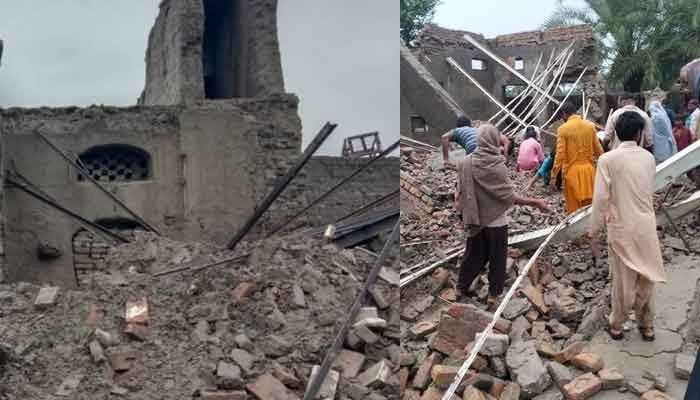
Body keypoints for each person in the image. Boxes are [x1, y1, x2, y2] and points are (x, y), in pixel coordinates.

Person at [588, 111, 666, 341]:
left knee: (623, 281)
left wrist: (594, 230)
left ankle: (617, 325)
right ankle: (647, 326)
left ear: (617, 133)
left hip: (621, 226)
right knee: (647, 276)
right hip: (646, 225)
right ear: (640, 133)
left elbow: (600, 199)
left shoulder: (608, 159)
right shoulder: (648, 158)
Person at [455, 124, 550, 308]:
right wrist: (535, 202)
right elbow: (508, 197)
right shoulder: (497, 165)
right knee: (498, 259)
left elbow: (459, 192)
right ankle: (493, 295)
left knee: (473, 254)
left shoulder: (464, 162)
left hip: (475, 219)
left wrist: (461, 213)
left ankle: (460, 288)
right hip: (497, 221)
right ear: (493, 140)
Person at [550, 102, 604, 214]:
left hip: (572, 173)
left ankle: (577, 231)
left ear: (564, 114)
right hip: (589, 172)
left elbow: (560, 154)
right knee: (589, 209)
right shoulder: (590, 126)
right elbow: (599, 150)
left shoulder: (563, 129)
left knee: (574, 210)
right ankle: (589, 230)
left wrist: (554, 176)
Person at [442, 116, 510, 167]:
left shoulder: (457, 130)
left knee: (470, 164)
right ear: (470, 124)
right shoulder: (475, 129)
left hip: (473, 148)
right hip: (487, 148)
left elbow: (444, 137)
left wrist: (446, 159)